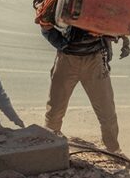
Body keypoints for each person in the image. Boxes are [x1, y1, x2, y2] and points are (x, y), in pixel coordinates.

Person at [41, 23, 122, 153]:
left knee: (106, 110)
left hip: (94, 60)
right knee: (55, 109)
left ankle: (114, 150)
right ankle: (50, 148)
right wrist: (64, 45)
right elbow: (45, 24)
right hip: (67, 59)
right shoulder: (60, 2)